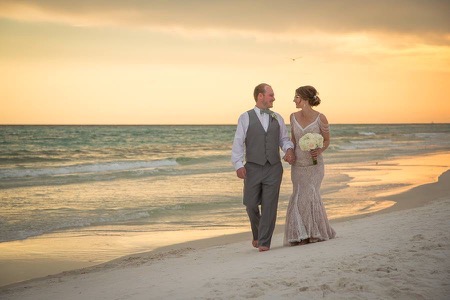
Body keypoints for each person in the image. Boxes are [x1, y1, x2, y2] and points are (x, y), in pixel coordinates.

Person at [231, 83, 295, 252]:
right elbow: (238, 142)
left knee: (269, 205)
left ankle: (264, 241)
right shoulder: (245, 117)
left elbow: (284, 139)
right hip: (252, 167)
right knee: (250, 204)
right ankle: (258, 233)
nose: (274, 98)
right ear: (260, 96)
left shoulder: (277, 118)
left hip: (273, 167)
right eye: (271, 95)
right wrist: (238, 164)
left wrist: (288, 149)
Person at [284, 85, 336, 246]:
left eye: (296, 97)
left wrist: (319, 150)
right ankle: (301, 235)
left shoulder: (321, 118)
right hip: (298, 164)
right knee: (298, 196)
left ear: (305, 99)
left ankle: (314, 233)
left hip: (315, 166)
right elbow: (293, 140)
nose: (294, 100)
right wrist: (289, 152)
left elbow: (327, 140)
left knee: (310, 194)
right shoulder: (293, 117)